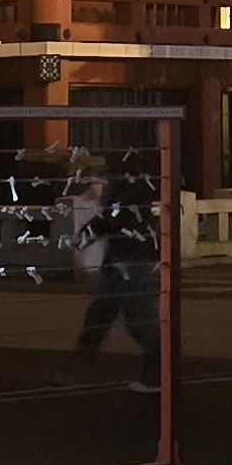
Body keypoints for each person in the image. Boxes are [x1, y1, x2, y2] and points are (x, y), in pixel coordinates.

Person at [70, 147, 165, 389]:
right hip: (128, 260)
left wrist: (81, 238)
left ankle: (156, 376)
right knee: (102, 312)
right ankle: (77, 366)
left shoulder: (125, 194)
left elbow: (108, 220)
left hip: (130, 262)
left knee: (135, 319)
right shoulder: (142, 190)